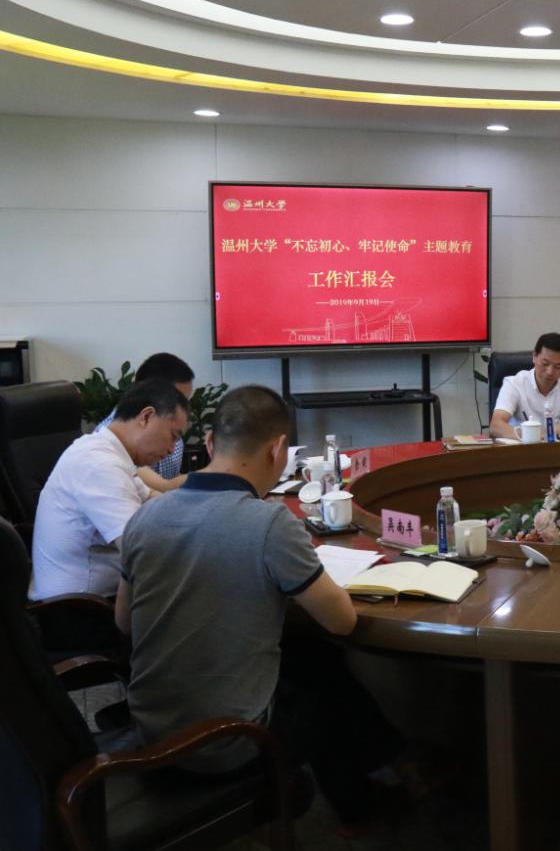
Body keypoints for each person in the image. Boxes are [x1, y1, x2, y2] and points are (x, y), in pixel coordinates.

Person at [115, 385, 406, 830]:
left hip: (150, 729)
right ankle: (365, 803)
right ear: (278, 449)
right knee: (328, 693)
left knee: (311, 658)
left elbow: (123, 622)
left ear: (209, 443)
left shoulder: (144, 517)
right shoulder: (269, 523)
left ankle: (380, 778)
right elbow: (342, 621)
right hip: (224, 745)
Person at [29, 379, 188, 599]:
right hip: (79, 608)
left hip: (100, 597)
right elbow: (139, 549)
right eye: (173, 437)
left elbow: (153, 499)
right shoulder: (98, 464)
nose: (172, 450)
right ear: (146, 417)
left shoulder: (109, 452)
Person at [96, 353, 196, 493]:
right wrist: (218, 470)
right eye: (179, 399)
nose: (184, 407)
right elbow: (164, 487)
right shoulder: (111, 443)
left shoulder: (168, 425)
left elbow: (167, 486)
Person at [490, 333, 560, 439]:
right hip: (523, 446)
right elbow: (496, 426)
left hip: (558, 447)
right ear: (534, 356)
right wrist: (532, 436)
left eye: (558, 366)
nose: (550, 371)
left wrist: (546, 435)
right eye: (545, 363)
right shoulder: (514, 383)